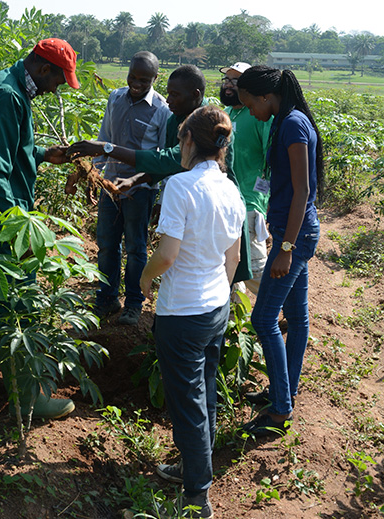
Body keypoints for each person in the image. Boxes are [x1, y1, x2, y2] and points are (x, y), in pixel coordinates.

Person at [0, 38, 80, 420]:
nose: (55, 89)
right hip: (1, 223)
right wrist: (20, 230)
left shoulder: (7, 85)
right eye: (58, 81)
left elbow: (10, 151)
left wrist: (44, 154)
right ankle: (30, 400)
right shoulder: (6, 96)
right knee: (22, 311)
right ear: (43, 69)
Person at [140, 105, 245, 518]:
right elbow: (233, 259)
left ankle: (198, 497)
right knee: (204, 393)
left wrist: (145, 279)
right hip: (216, 305)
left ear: (187, 141)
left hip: (182, 312)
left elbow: (167, 256)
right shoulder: (231, 189)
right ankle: (191, 467)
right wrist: (216, 288)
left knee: (187, 403)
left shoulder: (181, 187)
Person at [67, 65, 253, 286]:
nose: (168, 99)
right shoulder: (176, 118)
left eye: (175, 94)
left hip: (215, 206)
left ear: (195, 95)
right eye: (168, 92)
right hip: (193, 204)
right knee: (193, 268)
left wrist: (106, 148)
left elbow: (168, 158)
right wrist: (134, 180)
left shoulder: (206, 122)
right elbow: (163, 165)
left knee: (216, 271)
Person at [237, 66, 323, 437]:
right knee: (297, 317)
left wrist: (286, 247)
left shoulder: (291, 124)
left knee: (263, 319)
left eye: (249, 104)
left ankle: (279, 410)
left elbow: (302, 190)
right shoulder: (285, 119)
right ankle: (283, 390)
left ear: (266, 97)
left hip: (298, 236)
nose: (250, 112)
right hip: (294, 231)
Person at [91, 51, 171, 326]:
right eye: (133, 77)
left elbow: (163, 158)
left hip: (140, 190)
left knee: (136, 248)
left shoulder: (162, 109)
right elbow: (105, 138)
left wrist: (159, 193)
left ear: (155, 78)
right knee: (106, 245)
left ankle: (134, 304)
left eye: (144, 80)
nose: (136, 84)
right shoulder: (115, 98)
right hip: (110, 184)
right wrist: (94, 172)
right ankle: (107, 297)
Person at [220, 62, 273, 295]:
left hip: (250, 199)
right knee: (230, 260)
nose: (229, 85)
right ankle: (235, 318)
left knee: (255, 264)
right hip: (226, 200)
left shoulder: (260, 116)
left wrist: (264, 196)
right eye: (227, 80)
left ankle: (281, 309)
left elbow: (270, 160)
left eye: (235, 81)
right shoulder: (229, 114)